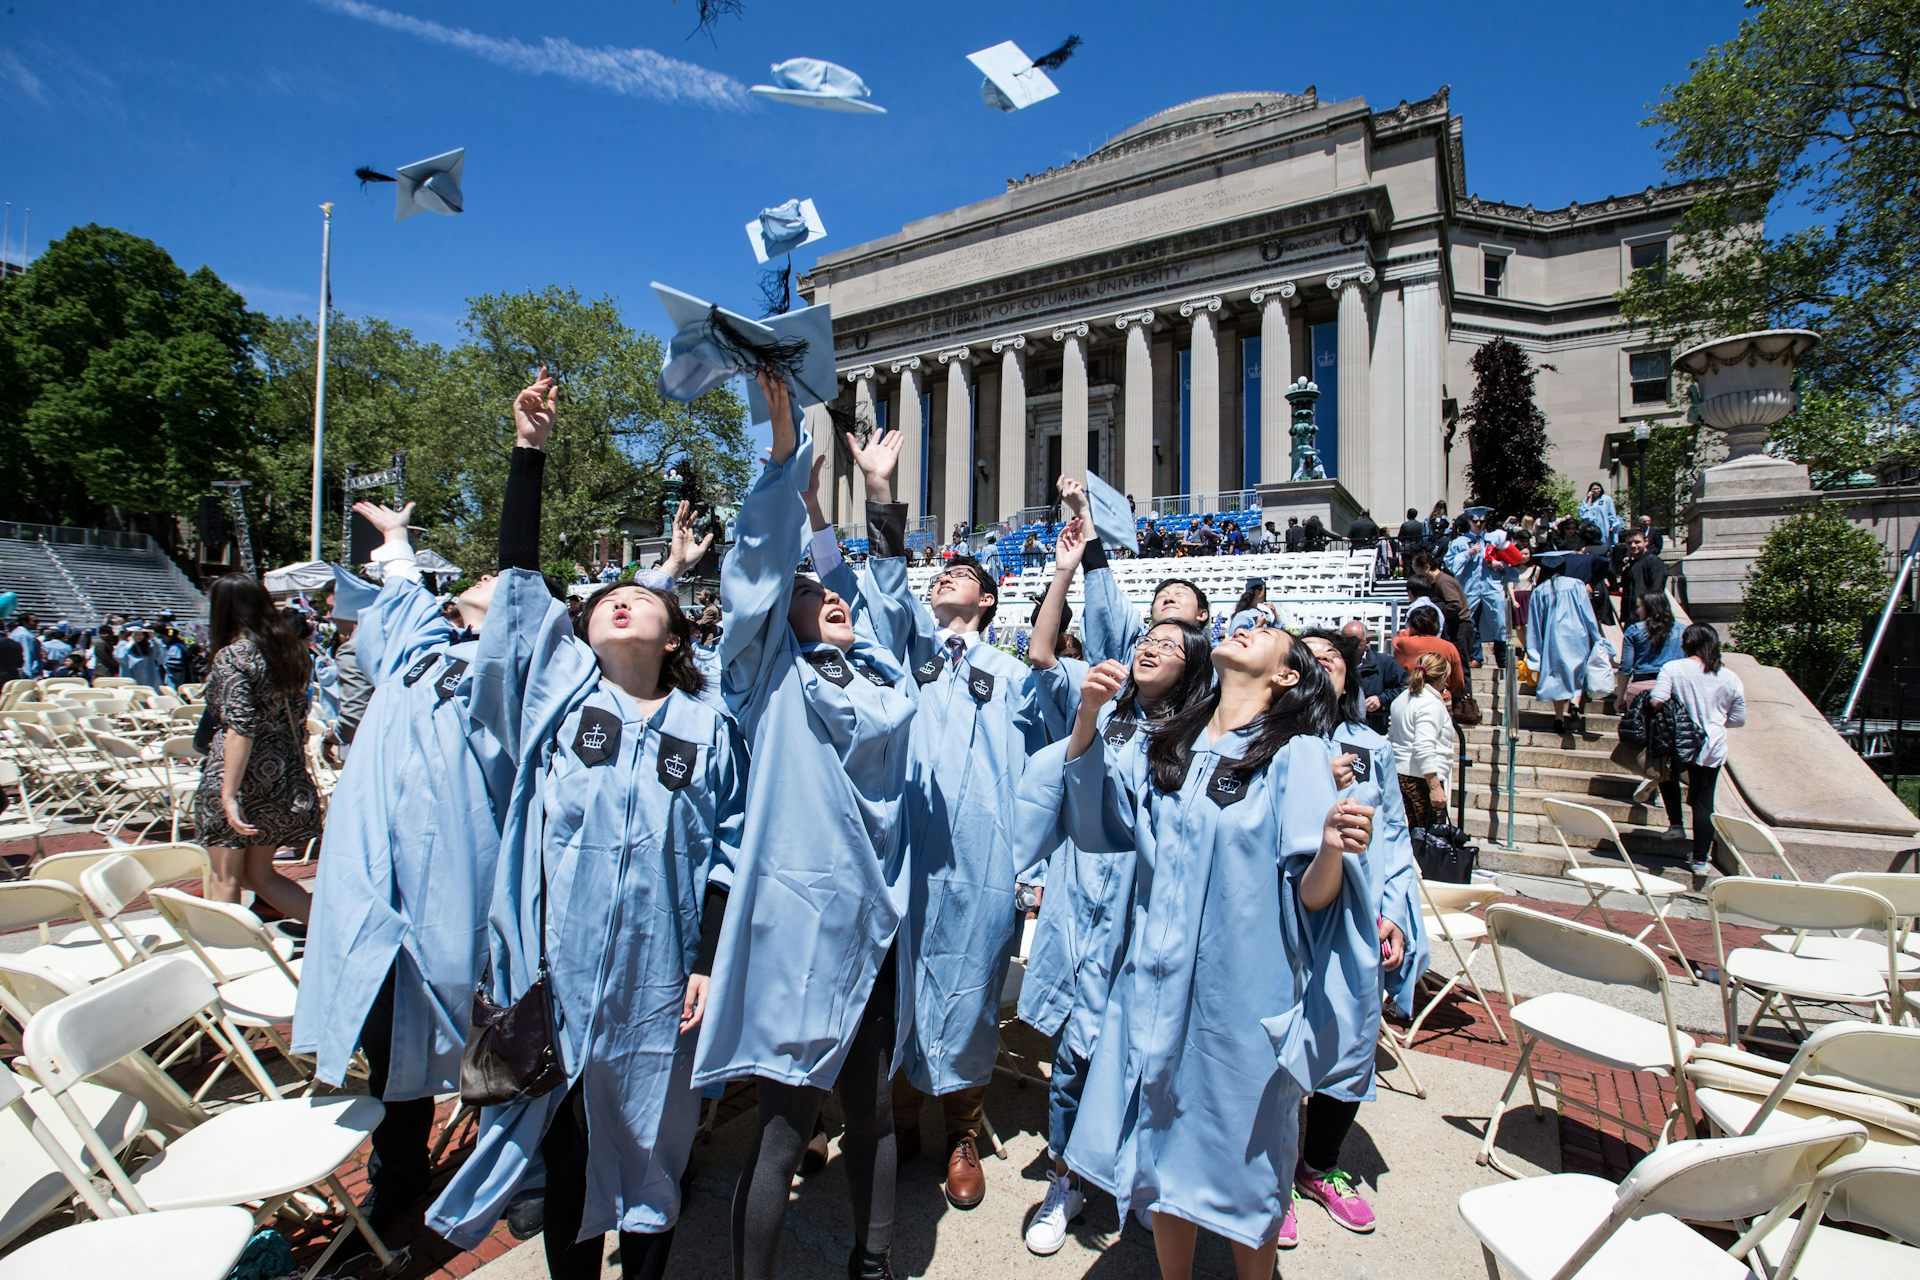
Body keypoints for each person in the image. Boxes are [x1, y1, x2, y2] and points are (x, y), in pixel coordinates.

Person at [428, 450, 743, 1280]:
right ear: (581, 632)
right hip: (558, 975)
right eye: (607, 598)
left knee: (652, 1150)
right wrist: (528, 457)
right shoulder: (557, 703)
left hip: (662, 980)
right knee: (568, 1154)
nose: (622, 599)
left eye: (642, 596)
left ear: (673, 633)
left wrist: (706, 964)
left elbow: (727, 853)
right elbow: (519, 584)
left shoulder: (708, 730)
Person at [1056, 623, 1373, 1279]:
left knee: (1245, 1175)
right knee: (1165, 1158)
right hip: (1155, 993)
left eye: (1266, 633)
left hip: (1237, 1003)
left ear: (1286, 675)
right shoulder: (1170, 746)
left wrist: (1336, 846)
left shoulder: (1297, 755)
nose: (1248, 627)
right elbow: (1099, 826)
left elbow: (1313, 895)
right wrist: (1088, 717)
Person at [692, 378, 918, 1280]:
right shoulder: (765, 679)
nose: (833, 593)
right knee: (783, 1129)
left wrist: (880, 500)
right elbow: (756, 567)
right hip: (795, 928)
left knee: (870, 1112)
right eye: (811, 587)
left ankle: (872, 1261)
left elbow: (887, 595)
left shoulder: (883, 677)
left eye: (837, 590)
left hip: (876, 924)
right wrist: (785, 449)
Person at [1016, 515, 1216, 1257]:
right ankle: (1066, 1177)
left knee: (1146, 1060)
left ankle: (1148, 1182)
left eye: (1169, 638)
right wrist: (1090, 713)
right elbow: (1041, 652)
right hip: (1084, 903)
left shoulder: (1204, 739)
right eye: (1146, 635)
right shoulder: (1107, 701)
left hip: (1150, 921)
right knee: (1074, 1052)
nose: (1150, 643)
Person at [857, 460, 1048, 1217]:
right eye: (941, 573)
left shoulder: (1016, 675)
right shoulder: (910, 658)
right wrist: (880, 497)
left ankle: (963, 1132)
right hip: (907, 852)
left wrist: (1032, 869)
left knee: (970, 995)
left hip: (981, 858)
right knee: (899, 987)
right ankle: (899, 1123)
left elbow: (1044, 776)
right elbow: (882, 590)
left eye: (962, 573)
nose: (946, 577)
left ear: (990, 597)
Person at [1293, 628, 1424, 1248]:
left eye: (1334, 659)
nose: (1323, 665)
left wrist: (1393, 912)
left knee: (1348, 1039)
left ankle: (1317, 1164)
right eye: (1309, 657)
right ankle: (1263, 1173)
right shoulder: (1262, 741)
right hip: (1283, 912)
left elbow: (1394, 838)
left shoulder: (1372, 748)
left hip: (1353, 916)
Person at [192, 575, 322, 922]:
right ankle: (339, 935)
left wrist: (229, 794)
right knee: (259, 875)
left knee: (224, 878)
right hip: (280, 773)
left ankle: (226, 961)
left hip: (235, 772)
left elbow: (240, 727)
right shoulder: (294, 652)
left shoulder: (233, 655)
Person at [1061, 478, 1212, 664]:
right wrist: (1083, 511)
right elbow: (1104, 601)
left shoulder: (1216, 668)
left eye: (1180, 593)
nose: (1169, 597)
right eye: (1162, 595)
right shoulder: (1131, 652)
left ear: (1202, 613)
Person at [1648, 624, 1748, 874]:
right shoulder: (1729, 677)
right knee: (1704, 803)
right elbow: (1738, 718)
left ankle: (1676, 823)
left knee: (1667, 775)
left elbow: (1657, 700)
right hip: (1711, 745)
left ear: (1687, 643)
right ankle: (1701, 860)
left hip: (1677, 739)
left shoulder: (1673, 668)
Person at [1525, 552, 1605, 732]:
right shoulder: (1576, 585)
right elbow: (1587, 613)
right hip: (1578, 635)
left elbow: (1535, 623)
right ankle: (1575, 702)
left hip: (1552, 639)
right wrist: (1596, 636)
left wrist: (1534, 652)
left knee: (1557, 676)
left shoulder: (1539, 591)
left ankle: (1559, 716)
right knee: (1577, 671)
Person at [1445, 511, 1519, 669]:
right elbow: (1450, 563)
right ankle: (1475, 656)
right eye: (1475, 521)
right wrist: (1468, 554)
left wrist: (1500, 565)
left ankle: (1502, 657)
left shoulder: (1494, 539)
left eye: (1482, 521)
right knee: (1469, 621)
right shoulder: (1461, 542)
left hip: (1491, 585)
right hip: (1470, 587)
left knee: (1499, 619)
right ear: (1469, 521)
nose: (1478, 524)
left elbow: (1512, 561)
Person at [1390, 651, 1455, 829]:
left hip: (1402, 774)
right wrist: (1434, 787)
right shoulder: (1429, 703)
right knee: (1431, 837)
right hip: (1421, 777)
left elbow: (1392, 736)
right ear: (1443, 676)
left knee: (1414, 833)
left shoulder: (1402, 699)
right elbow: (1424, 746)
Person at [1405, 550, 1475, 671]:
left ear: (1426, 568)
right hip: (1453, 627)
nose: (1417, 575)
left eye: (1417, 571)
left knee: (1460, 668)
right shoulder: (1436, 582)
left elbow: (1454, 604)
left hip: (1460, 627)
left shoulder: (1443, 581)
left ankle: (1464, 690)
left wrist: (1435, 614)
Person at [1390, 600, 1466, 706]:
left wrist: (1406, 632)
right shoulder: (1449, 647)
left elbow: (1396, 640)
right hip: (1441, 699)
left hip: (1411, 698)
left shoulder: (1404, 642)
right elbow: (1458, 682)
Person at [1341, 618, 1406, 735]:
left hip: (1374, 727)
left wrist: (1382, 699)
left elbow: (1406, 687)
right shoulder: (1335, 663)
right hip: (1342, 727)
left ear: (1367, 640)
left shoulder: (1384, 662)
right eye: (1344, 640)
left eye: (1353, 640)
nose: (1348, 645)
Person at [1618, 529, 1667, 615]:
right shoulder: (1632, 563)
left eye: (1637, 542)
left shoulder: (1653, 561)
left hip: (1647, 614)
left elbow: (1657, 588)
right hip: (1631, 613)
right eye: (1629, 543)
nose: (1633, 545)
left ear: (1646, 542)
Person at [1227, 579, 1293, 635]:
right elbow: (1235, 637)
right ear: (1257, 592)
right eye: (1264, 591)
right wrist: (1258, 626)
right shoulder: (1242, 616)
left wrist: (1275, 613)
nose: (1265, 595)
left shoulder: (1263, 614)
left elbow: (1280, 632)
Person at [115, 624, 168, 689]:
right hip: (131, 678)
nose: (139, 636)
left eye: (141, 634)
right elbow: (120, 657)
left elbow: (161, 657)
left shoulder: (148, 645)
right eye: (136, 634)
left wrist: (154, 638)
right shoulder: (124, 645)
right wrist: (132, 641)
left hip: (149, 680)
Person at [1578, 481, 1624, 550]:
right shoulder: (1586, 501)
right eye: (1594, 489)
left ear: (1601, 489)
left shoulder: (1606, 499)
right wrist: (1589, 499)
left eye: (1598, 488)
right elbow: (1584, 515)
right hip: (1590, 530)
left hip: (1604, 528)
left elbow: (1611, 514)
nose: (1596, 491)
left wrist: (1612, 526)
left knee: (1604, 546)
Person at [7, 611, 39, 678]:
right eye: (34, 621)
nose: (37, 623)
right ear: (24, 622)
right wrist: (28, 674)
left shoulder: (18, 633)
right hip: (25, 673)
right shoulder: (24, 635)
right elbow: (26, 655)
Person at [1396, 509, 1425, 576]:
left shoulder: (1405, 525)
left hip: (1407, 548)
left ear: (1408, 515)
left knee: (1407, 566)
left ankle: (1407, 581)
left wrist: (1404, 541)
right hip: (1417, 547)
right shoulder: (1420, 525)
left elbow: (1400, 537)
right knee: (1416, 565)